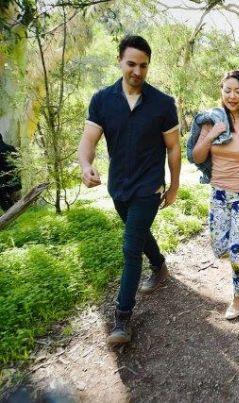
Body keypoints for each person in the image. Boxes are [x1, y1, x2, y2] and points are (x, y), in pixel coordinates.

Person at [77, 35, 181, 345]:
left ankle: (122, 319)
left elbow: (173, 149)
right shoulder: (102, 100)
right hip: (118, 187)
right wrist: (85, 165)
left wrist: (174, 186)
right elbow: (89, 140)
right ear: (120, 61)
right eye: (131, 64)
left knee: (130, 246)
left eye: (143, 65)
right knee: (138, 232)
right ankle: (160, 266)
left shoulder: (162, 103)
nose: (137, 71)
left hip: (149, 187)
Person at [191, 70, 239, 320]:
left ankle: (238, 297)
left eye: (238, 91)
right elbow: (197, 156)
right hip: (218, 195)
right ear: (221, 92)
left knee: (236, 249)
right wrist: (213, 134)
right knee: (220, 248)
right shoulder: (209, 121)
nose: (232, 96)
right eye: (228, 90)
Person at [0, 132, 22, 212]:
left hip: (2, 186)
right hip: (14, 182)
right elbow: (19, 165)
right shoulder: (11, 148)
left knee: (7, 207)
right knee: (16, 204)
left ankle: (12, 219)